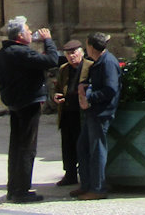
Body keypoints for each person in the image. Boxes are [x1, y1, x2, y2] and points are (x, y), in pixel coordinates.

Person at [0, 16, 60, 203]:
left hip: (14, 103)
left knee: (16, 146)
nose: (31, 33)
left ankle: (13, 188)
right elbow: (52, 59)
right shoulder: (21, 53)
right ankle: (21, 191)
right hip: (28, 103)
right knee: (27, 148)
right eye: (28, 31)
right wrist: (48, 40)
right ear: (20, 35)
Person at [77, 31, 121, 200]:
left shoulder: (108, 62)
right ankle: (87, 185)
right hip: (93, 111)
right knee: (83, 146)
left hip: (101, 112)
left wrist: (90, 98)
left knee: (97, 150)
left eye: (87, 45)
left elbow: (110, 89)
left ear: (92, 47)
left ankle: (98, 188)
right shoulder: (98, 62)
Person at [53, 39, 85, 188]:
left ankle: (85, 175)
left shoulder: (88, 66)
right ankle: (70, 174)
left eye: (74, 53)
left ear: (81, 52)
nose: (71, 56)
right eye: (68, 54)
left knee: (83, 144)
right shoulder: (63, 69)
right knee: (67, 145)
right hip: (67, 112)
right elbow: (58, 87)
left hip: (82, 113)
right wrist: (56, 96)